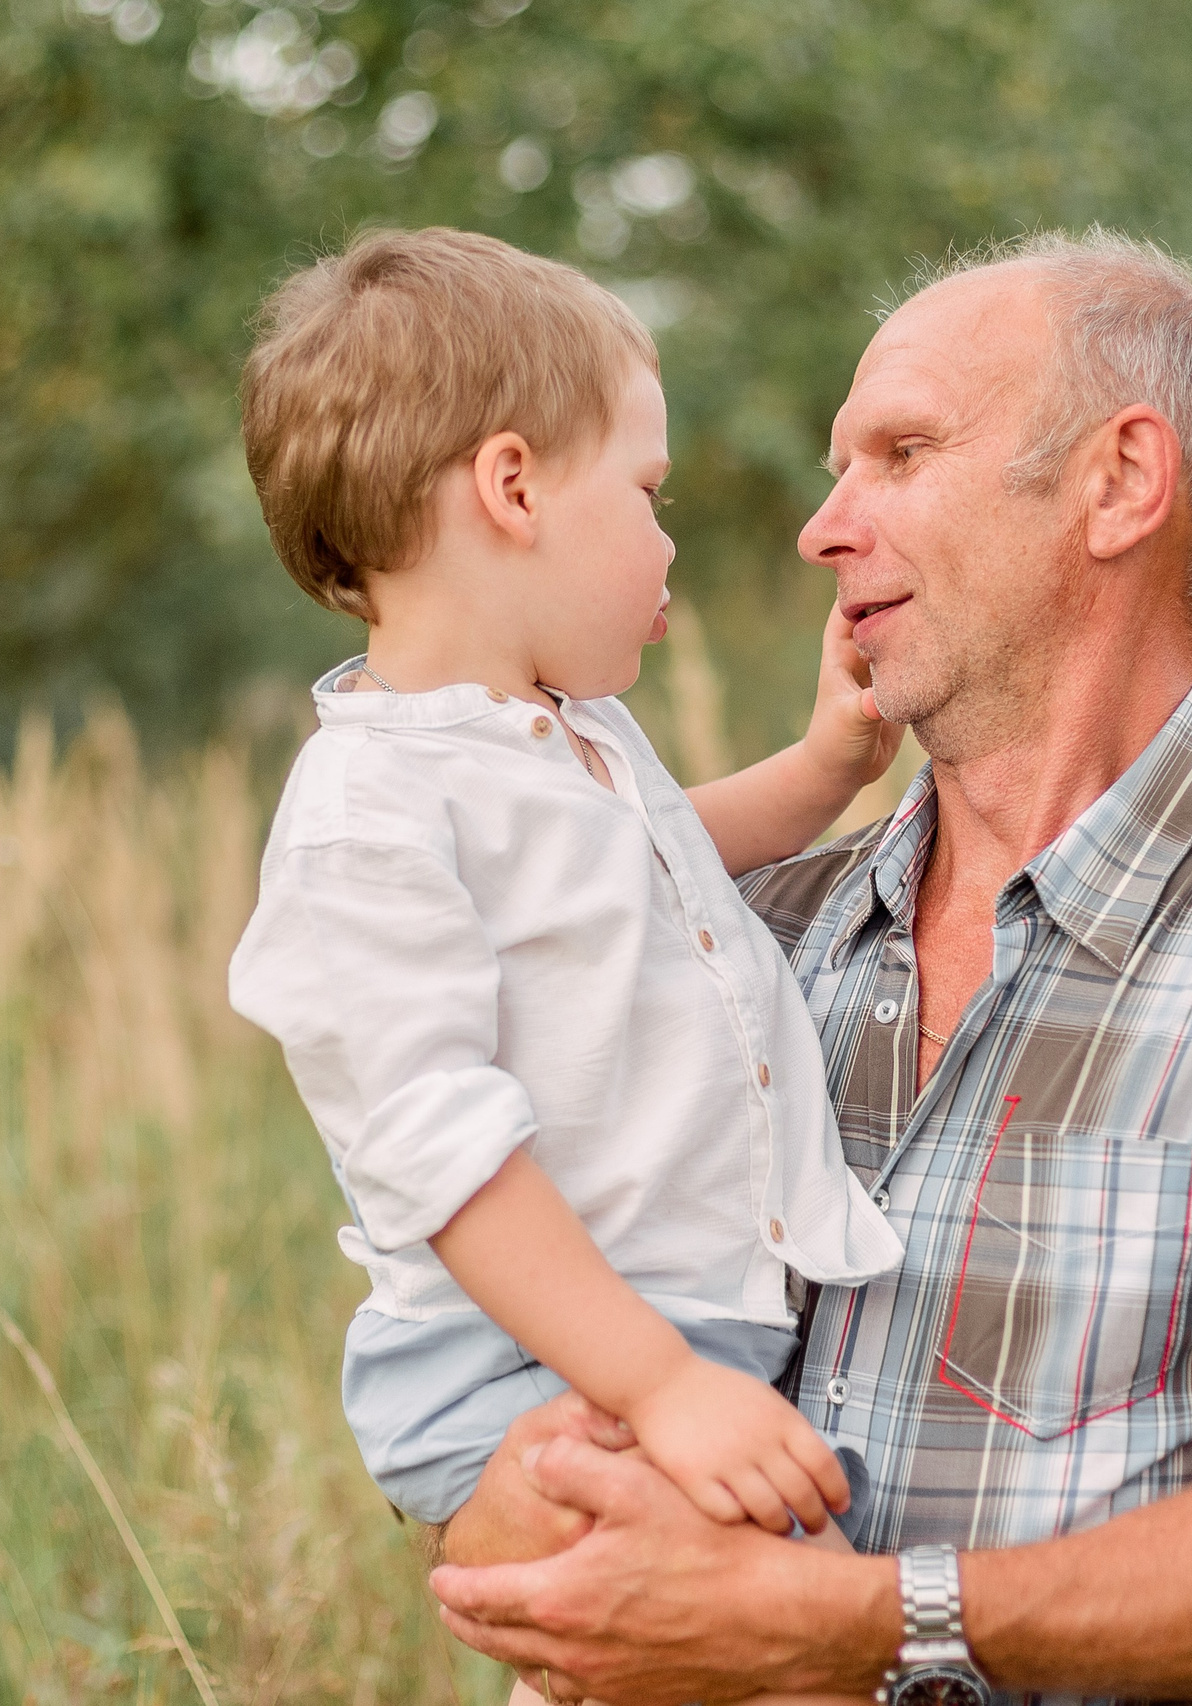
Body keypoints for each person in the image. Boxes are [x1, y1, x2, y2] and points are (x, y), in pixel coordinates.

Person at [426, 230, 1192, 1706]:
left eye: (899, 451)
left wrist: (843, 1621)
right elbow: (490, 1415)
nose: (824, 527)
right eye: (840, 469)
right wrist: (529, 1511)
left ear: (1120, 484)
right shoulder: (740, 925)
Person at [224, 228, 915, 1705]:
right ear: (516, 486)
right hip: (533, 1361)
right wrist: (654, 1382)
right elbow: (440, 1149)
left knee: (726, 1654)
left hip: (663, 1335)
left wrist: (820, 771)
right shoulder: (372, 809)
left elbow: (660, 863)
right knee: (767, 1657)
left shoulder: (573, 735)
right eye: (649, 495)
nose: (668, 543)